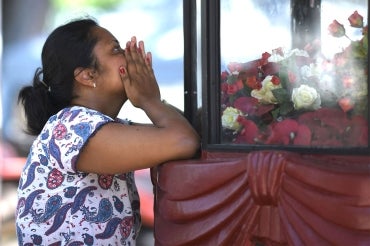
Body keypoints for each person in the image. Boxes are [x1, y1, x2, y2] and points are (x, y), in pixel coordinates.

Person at [15, 17, 200, 245]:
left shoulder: (102, 126)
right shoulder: (73, 127)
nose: (129, 55)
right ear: (88, 76)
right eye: (115, 49)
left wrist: (152, 100)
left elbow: (180, 130)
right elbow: (183, 141)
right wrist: (148, 99)